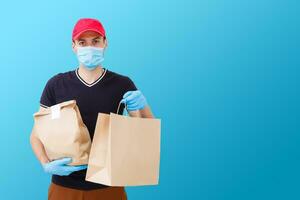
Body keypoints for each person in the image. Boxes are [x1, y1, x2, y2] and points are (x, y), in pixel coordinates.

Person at [30, 18, 154, 200]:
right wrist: (45, 163)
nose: (89, 47)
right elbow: (36, 134)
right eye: (82, 42)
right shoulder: (56, 85)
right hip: (64, 188)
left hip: (109, 188)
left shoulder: (122, 84)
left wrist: (144, 106)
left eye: (95, 41)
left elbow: (146, 133)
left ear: (105, 43)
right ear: (74, 46)